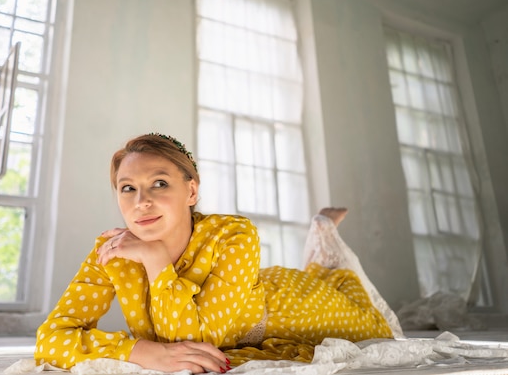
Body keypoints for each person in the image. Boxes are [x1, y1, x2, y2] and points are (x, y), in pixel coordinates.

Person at [34, 133, 399, 374]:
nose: (141, 202)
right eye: (127, 188)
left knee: (376, 324)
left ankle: (324, 230)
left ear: (191, 192)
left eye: (159, 183)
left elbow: (196, 340)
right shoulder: (113, 251)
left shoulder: (234, 234)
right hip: (247, 290)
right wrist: (141, 352)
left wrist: (157, 259)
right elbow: (50, 338)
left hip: (297, 306)